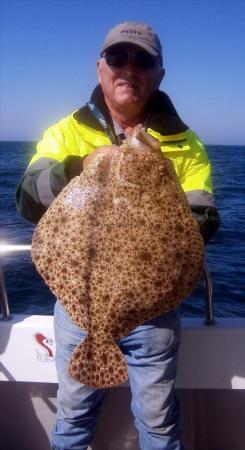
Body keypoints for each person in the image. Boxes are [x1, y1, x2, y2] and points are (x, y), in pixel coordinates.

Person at [16, 21, 220, 450]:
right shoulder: (64, 132)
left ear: (159, 73)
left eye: (142, 59)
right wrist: (77, 166)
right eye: (117, 57)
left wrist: (157, 203)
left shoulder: (186, 145)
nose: (129, 67)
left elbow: (203, 221)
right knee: (72, 415)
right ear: (100, 67)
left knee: (159, 421)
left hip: (152, 314)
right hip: (80, 307)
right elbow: (27, 200)